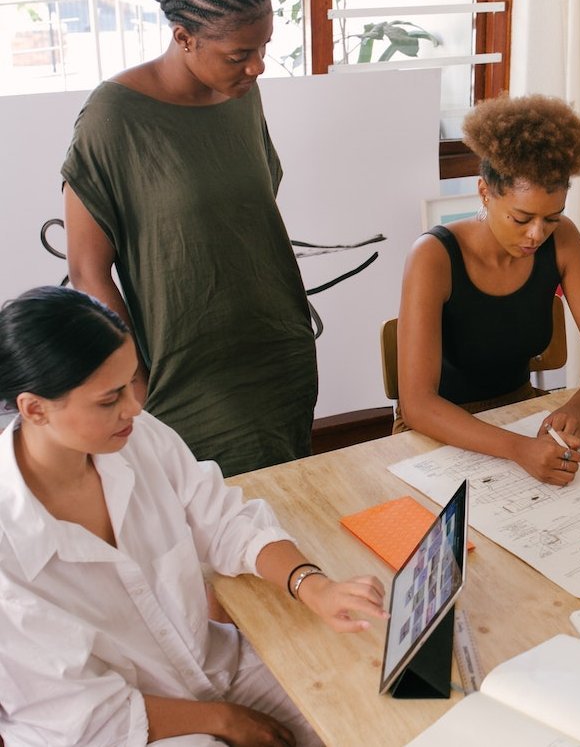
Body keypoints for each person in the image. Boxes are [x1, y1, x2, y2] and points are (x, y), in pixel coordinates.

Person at [0, 286, 387, 746]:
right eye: (110, 399)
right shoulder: (10, 546)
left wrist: (313, 585)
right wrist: (225, 721)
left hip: (211, 665)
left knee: (365, 705)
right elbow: (80, 713)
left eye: (132, 382)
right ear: (35, 409)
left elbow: (224, 521)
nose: (134, 407)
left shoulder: (135, 437)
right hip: (115, 729)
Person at [62, 0, 317, 477]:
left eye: (264, 46)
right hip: (186, 371)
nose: (257, 66)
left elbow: (247, 213)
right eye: (238, 54)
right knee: (209, 526)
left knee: (286, 507)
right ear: (184, 37)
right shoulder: (114, 118)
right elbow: (87, 270)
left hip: (277, 349)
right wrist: (132, 378)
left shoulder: (241, 93)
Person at [396, 94, 580, 486]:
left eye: (551, 218)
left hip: (520, 412)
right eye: (522, 218)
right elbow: (418, 405)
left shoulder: (563, 241)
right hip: (440, 430)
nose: (537, 234)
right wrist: (519, 449)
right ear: (485, 192)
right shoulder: (433, 256)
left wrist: (579, 407)